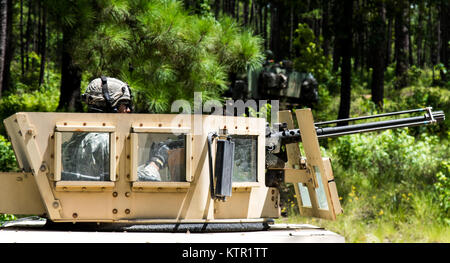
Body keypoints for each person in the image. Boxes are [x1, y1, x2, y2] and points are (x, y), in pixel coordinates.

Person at [61, 76, 169, 182]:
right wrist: (156, 162)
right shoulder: (107, 141)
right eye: (124, 104)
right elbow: (129, 183)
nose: (128, 110)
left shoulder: (78, 137)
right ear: (111, 107)